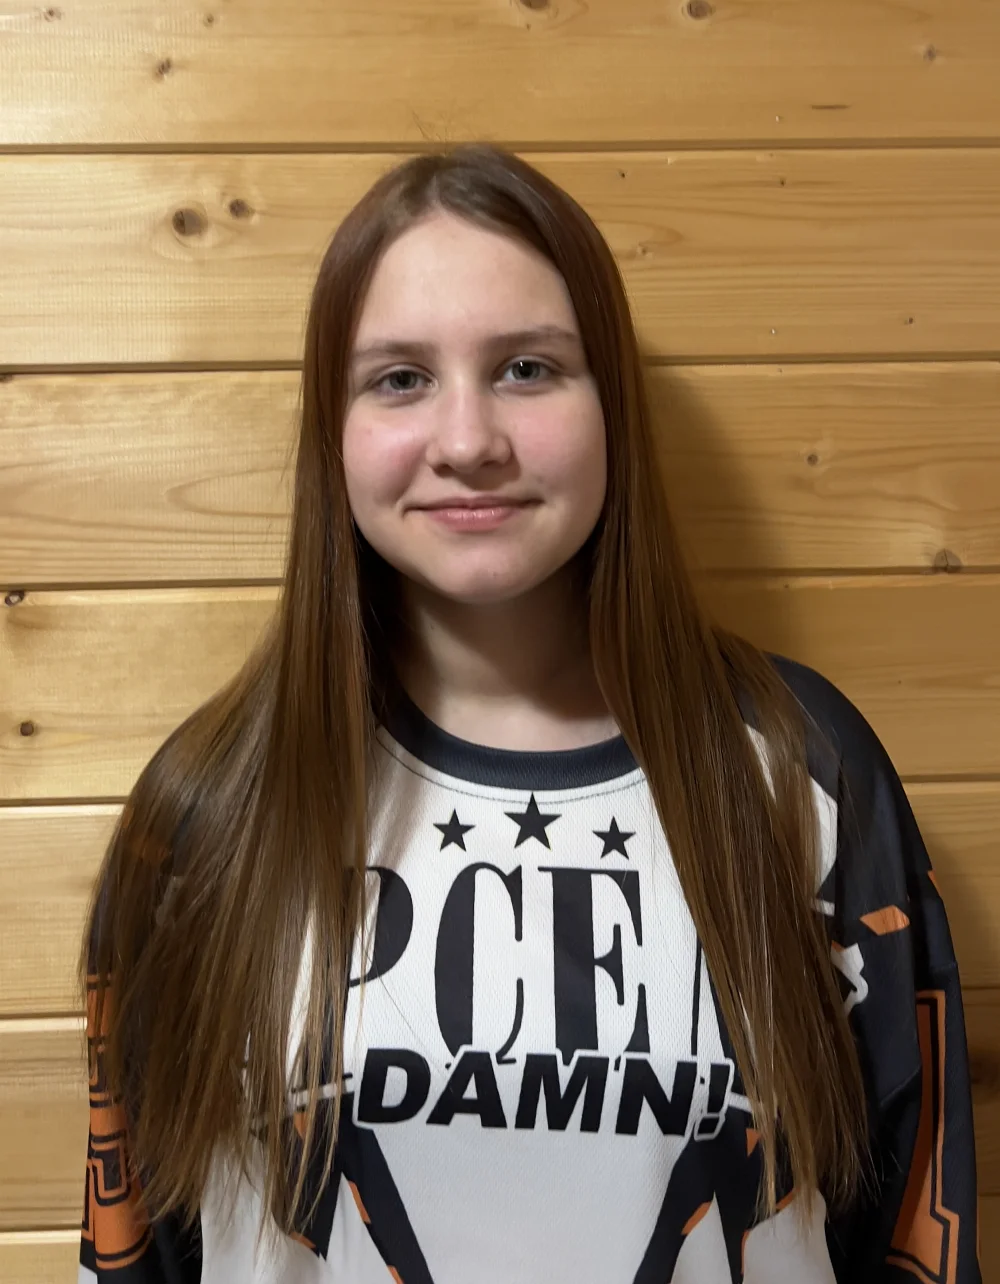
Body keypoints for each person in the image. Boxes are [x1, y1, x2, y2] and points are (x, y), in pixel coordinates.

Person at [77, 143, 981, 1283]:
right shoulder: (209, 809)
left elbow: (913, 1223)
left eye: (525, 368)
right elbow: (135, 1246)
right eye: (399, 379)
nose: (467, 443)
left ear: (610, 406)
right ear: (332, 428)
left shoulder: (802, 771)